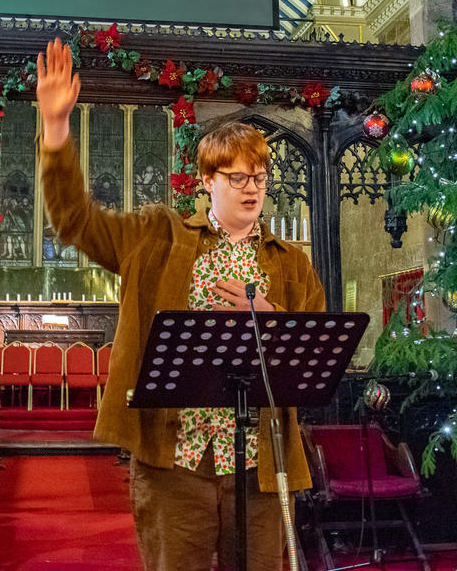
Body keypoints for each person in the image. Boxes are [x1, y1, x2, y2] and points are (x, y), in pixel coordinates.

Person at [35, 38, 326, 571]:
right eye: (237, 177)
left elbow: (312, 355)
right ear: (207, 181)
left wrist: (272, 318)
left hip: (260, 463)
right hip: (176, 461)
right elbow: (76, 223)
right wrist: (55, 131)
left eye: (259, 178)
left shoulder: (290, 264)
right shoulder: (156, 238)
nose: (251, 189)